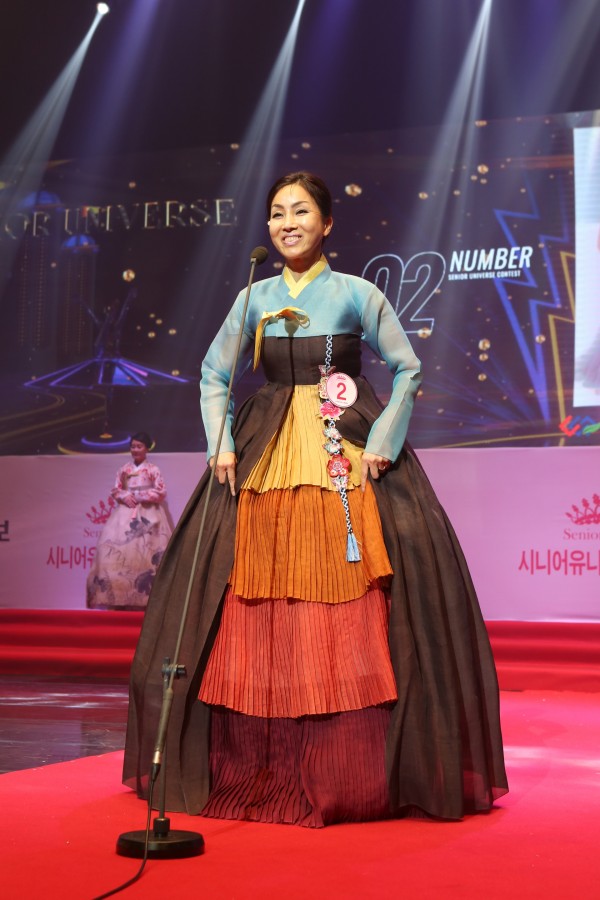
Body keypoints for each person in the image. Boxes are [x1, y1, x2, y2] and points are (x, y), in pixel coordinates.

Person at [123, 172, 508, 825]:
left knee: (355, 589)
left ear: (327, 223)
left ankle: (354, 771)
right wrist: (220, 444)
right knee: (247, 592)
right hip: (264, 452)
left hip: (343, 447)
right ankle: (251, 763)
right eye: (277, 213)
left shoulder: (357, 293)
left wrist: (383, 441)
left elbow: (408, 368)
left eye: (300, 212)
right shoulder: (254, 296)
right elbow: (214, 373)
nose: (287, 223)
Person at [86, 432, 172, 611]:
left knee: (148, 553)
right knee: (116, 551)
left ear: (147, 448)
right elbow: (116, 490)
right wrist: (125, 496)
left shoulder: (153, 469)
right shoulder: (124, 469)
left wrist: (141, 496)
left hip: (149, 514)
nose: (135, 450)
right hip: (125, 514)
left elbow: (161, 491)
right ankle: (119, 596)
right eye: (133, 446)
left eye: (139, 446)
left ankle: (149, 600)